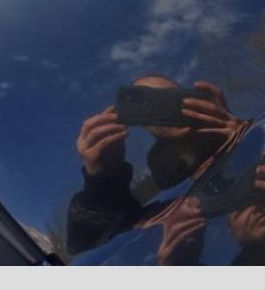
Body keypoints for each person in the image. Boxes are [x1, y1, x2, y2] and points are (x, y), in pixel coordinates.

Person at [66, 75, 243, 255]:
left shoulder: (237, 134)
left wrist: (240, 138)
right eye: (151, 105)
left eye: (172, 96)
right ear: (143, 124)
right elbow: (89, 249)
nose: (166, 107)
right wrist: (103, 181)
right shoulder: (152, 193)